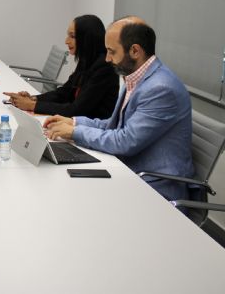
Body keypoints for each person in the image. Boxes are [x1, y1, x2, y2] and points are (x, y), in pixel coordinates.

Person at [44, 18, 194, 202]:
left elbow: (126, 141)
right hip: (131, 171)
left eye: (111, 52)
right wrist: (74, 122)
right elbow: (114, 124)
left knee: (75, 198)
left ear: (135, 51)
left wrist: (75, 132)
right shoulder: (135, 76)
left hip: (156, 188)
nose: (107, 59)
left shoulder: (161, 89)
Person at [4, 15, 118, 119]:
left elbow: (77, 109)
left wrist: (31, 105)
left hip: (91, 132)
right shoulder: (87, 60)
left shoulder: (104, 67)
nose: (66, 41)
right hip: (75, 125)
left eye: (72, 36)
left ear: (87, 39)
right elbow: (64, 92)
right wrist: (33, 99)